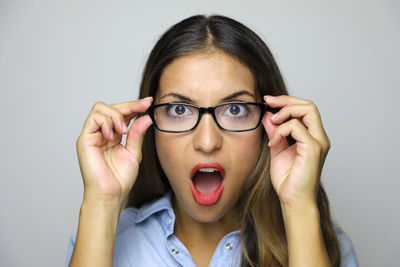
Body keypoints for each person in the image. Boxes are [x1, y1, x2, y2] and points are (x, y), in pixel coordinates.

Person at [66, 15, 358, 267]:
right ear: (150, 125)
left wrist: (299, 206)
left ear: (271, 124)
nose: (207, 142)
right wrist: (101, 202)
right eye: (179, 110)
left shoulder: (321, 247)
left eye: (235, 109)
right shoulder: (103, 239)